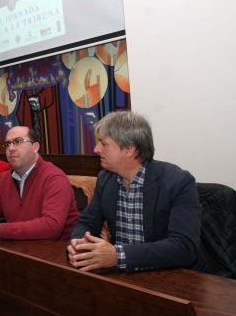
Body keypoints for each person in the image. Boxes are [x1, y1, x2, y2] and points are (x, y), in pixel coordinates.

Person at [67, 111, 207, 273]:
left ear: (129, 150)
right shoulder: (106, 179)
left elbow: (184, 246)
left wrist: (118, 256)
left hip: (174, 276)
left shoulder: (178, 182)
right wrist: (78, 244)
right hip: (126, 277)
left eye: (104, 144)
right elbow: (87, 222)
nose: (96, 149)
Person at [0, 126, 79, 240]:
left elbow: (51, 226)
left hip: (56, 253)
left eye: (18, 142)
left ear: (35, 147)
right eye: (7, 144)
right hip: (20, 248)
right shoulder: (6, 178)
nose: (11, 148)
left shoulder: (54, 178)